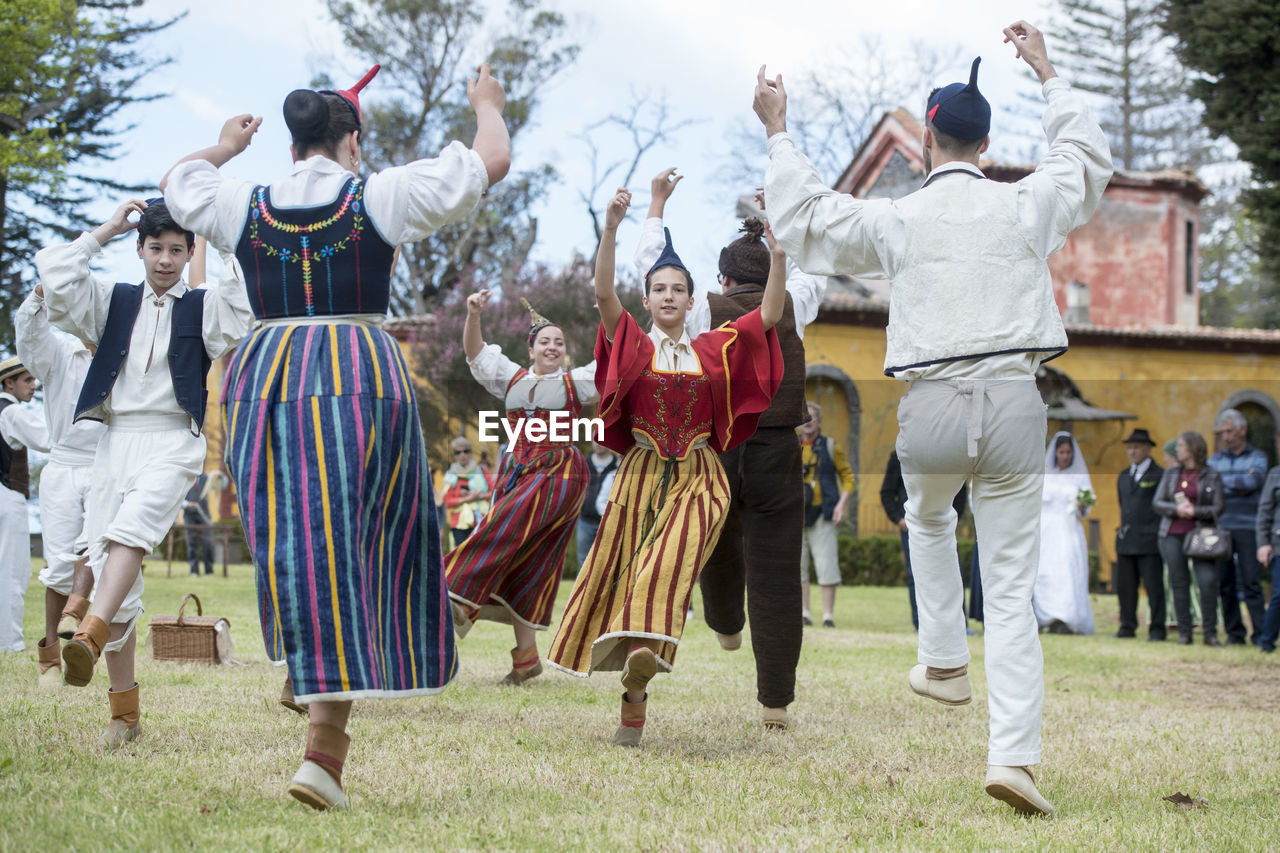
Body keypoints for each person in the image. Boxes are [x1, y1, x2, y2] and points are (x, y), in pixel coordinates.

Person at [756, 19, 1112, 814]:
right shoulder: (1025, 202)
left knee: (926, 516)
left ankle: (944, 658)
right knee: (1012, 592)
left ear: (926, 146)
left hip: (934, 402)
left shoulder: (899, 219)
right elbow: (1083, 163)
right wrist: (1051, 74)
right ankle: (1014, 757)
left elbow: (809, 219)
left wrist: (779, 130)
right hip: (1018, 401)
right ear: (985, 146)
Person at [162, 63, 511, 809]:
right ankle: (324, 750)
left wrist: (225, 146)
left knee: (298, 536)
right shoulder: (377, 194)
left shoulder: (239, 203)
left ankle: (306, 670)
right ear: (351, 140)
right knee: (359, 542)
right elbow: (492, 161)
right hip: (357, 363)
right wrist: (486, 105)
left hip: (264, 372)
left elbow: (177, 180)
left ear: (291, 146)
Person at [547, 188, 784, 748]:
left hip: (700, 476)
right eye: (660, 289)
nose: (670, 295)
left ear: (692, 298)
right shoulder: (629, 341)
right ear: (648, 299)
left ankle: (645, 654)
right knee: (629, 575)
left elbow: (770, 312)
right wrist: (609, 229)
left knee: (669, 562)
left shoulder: (715, 348)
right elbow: (604, 291)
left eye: (679, 288)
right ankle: (635, 694)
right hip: (639, 475)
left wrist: (777, 248)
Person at [36, 198, 251, 749]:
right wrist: (106, 229)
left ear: (189, 251)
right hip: (115, 442)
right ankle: (124, 714)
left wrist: (219, 230)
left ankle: (89, 627)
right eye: (156, 248)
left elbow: (245, 297)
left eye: (177, 249)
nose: (165, 260)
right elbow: (57, 277)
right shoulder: (110, 301)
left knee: (129, 532)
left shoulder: (203, 307)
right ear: (139, 249)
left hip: (175, 440)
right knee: (115, 572)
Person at [634, 172, 822, 730]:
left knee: (715, 541)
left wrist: (657, 205)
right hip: (778, 450)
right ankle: (775, 705)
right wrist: (779, 220)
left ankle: (724, 624)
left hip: (716, 448)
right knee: (777, 571)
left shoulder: (699, 310)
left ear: (719, 278)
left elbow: (652, 265)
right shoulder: (796, 301)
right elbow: (811, 265)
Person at [446, 293, 595, 686]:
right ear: (530, 349)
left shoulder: (575, 382)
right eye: (545, 341)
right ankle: (526, 660)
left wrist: (621, 322)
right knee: (528, 563)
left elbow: (619, 363)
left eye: (559, 343)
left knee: (498, 528)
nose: (552, 347)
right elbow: (475, 353)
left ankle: (454, 591)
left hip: (559, 469)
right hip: (519, 471)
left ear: (566, 353)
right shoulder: (512, 377)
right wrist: (473, 315)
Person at [14, 283, 106, 684]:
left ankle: (78, 613)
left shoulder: (123, 352)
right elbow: (28, 333)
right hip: (63, 466)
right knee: (57, 565)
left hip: (108, 463)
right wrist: (39, 294)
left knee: (97, 544)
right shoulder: (58, 353)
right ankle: (49, 658)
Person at [881, 450, 972, 632]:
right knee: (915, 575)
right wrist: (898, 519)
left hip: (944, 522)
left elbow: (960, 490)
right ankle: (920, 625)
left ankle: (961, 625)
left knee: (954, 572)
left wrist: (953, 516)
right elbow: (887, 492)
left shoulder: (946, 453)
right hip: (911, 526)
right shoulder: (898, 456)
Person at [1153, 431, 1225, 645]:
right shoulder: (1171, 473)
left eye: (1181, 445)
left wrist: (1195, 512)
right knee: (1179, 582)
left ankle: (1210, 633)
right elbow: (1158, 503)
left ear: (1194, 448)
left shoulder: (1212, 475)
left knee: (1207, 581)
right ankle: (1185, 633)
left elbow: (1219, 507)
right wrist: (1177, 509)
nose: (1177, 449)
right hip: (1172, 533)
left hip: (1202, 535)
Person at [0, 357, 50, 653]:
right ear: (9, 383)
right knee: (12, 572)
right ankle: (9, 643)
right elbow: (46, 439)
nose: (34, 386)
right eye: (27, 380)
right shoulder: (12, 412)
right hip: (8, 495)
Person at [1208, 408, 1268, 645]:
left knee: (1252, 582)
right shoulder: (1216, 459)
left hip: (1248, 527)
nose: (1226, 436)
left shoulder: (1258, 456)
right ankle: (1235, 633)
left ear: (1243, 430)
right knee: (1225, 583)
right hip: (1222, 528)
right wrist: (1239, 483)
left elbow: (1255, 481)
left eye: (1230, 431)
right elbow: (1211, 483)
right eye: (1222, 431)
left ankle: (1261, 634)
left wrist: (1225, 482)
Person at [1033, 432, 1095, 635]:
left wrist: (1082, 506)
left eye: (1069, 452)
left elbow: (1086, 508)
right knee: (1045, 572)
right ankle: (1046, 616)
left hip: (1068, 529)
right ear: (1055, 453)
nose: (1065, 456)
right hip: (1047, 529)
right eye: (1062, 452)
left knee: (1067, 570)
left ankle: (1067, 617)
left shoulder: (1078, 476)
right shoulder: (1044, 475)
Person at [799, 402, 854, 629]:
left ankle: (828, 616)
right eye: (805, 417)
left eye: (813, 417)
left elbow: (848, 477)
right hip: (796, 516)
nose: (809, 421)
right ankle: (804, 613)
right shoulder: (791, 446)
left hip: (824, 514)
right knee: (798, 567)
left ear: (820, 421)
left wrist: (841, 505)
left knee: (826, 565)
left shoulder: (831, 447)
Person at [1113, 428, 1165, 641]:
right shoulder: (1123, 476)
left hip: (1149, 540)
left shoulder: (1159, 474)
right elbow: (1123, 505)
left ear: (1147, 449)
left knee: (1154, 587)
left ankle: (1157, 628)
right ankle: (1127, 625)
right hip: (1126, 539)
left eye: (1136, 447)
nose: (1132, 452)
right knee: (1125, 587)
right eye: (1129, 448)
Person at [441, 436, 492, 549]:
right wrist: (465, 499)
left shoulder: (482, 471)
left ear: (470, 452)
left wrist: (480, 495)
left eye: (466, 451)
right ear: (454, 455)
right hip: (460, 523)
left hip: (481, 520)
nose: (462, 455)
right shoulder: (450, 476)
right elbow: (447, 501)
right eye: (458, 452)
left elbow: (494, 492)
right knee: (462, 556)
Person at [577, 441, 619, 570]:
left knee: (605, 563)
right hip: (585, 521)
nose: (598, 444)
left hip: (608, 523)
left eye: (602, 440)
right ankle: (581, 590)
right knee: (583, 562)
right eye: (595, 439)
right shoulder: (584, 464)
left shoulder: (617, 466)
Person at [1255, 464, 1280, 653]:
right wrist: (1263, 542)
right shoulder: (1276, 473)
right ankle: (1266, 641)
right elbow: (1265, 510)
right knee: (1278, 595)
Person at [182, 471, 215, 576]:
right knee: (191, 544)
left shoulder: (207, 478)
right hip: (189, 515)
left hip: (204, 514)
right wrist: (186, 504)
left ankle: (209, 570)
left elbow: (221, 485)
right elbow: (177, 495)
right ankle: (194, 571)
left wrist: (221, 477)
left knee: (208, 544)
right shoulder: (186, 477)